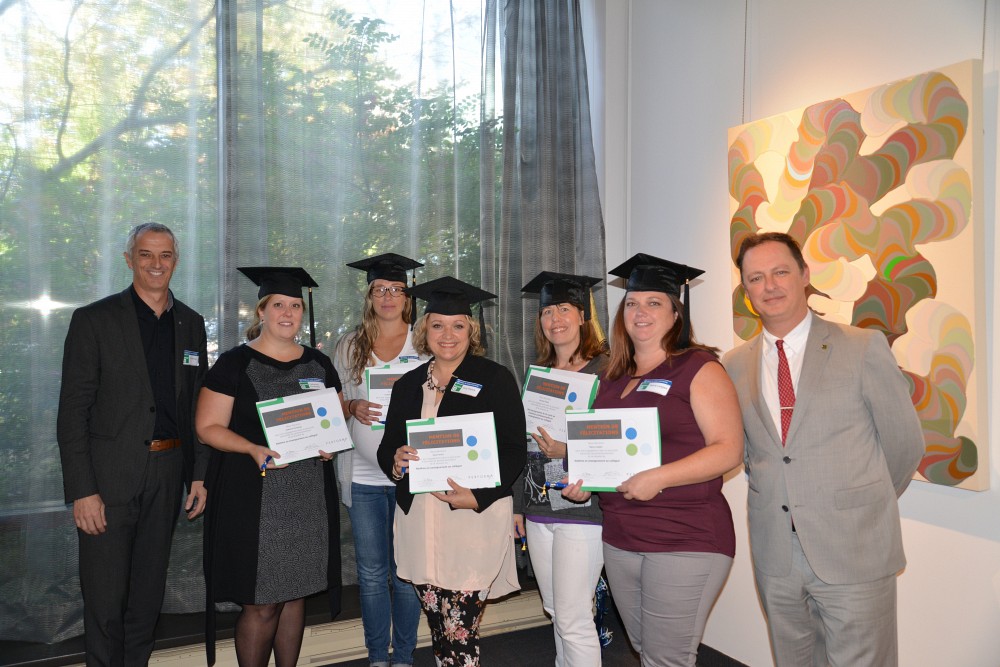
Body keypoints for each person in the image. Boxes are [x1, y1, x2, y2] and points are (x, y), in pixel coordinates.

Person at [721, 232, 925, 667]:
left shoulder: (862, 347)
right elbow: (753, 454)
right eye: (756, 278)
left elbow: (905, 444)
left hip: (853, 548)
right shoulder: (734, 365)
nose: (770, 286)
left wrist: (856, 507)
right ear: (747, 292)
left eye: (780, 272)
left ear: (805, 275)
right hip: (776, 552)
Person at [562, 253, 743, 667]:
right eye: (631, 303)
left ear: (677, 312)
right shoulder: (612, 377)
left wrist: (658, 477)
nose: (639, 312)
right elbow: (606, 450)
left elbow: (728, 448)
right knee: (646, 649)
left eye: (654, 302)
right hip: (622, 536)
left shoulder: (699, 367)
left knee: (666, 658)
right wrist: (587, 478)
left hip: (685, 536)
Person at [56, 222, 209, 667]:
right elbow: (72, 413)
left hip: (168, 475)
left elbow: (198, 404)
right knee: (105, 604)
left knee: (146, 600)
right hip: (108, 481)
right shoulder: (94, 320)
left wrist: (198, 474)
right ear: (129, 260)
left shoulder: (192, 324)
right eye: (146, 255)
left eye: (165, 255)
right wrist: (83, 490)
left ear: (175, 262)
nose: (156, 264)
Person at [376, 276, 526, 667]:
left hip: (470, 520)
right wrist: (395, 461)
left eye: (458, 325)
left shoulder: (494, 379)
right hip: (421, 522)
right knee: (441, 631)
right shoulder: (407, 385)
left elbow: (513, 450)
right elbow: (387, 446)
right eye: (437, 325)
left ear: (471, 330)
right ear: (424, 329)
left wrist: (478, 496)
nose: (447, 335)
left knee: (460, 629)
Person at [197, 267, 343, 667]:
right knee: (262, 603)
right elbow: (207, 427)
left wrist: (329, 446)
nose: (288, 312)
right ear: (261, 311)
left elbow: (333, 419)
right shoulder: (234, 363)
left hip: (308, 496)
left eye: (295, 305)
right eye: (278, 304)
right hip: (255, 497)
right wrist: (250, 447)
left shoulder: (319, 363)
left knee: (296, 593)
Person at [334, 253, 424, 667]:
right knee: (371, 574)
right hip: (364, 476)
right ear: (369, 296)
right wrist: (352, 405)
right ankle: (376, 656)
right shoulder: (351, 345)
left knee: (406, 571)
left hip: (411, 476)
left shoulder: (425, 341)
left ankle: (404, 655)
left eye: (396, 290)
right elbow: (332, 405)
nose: (388, 297)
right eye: (380, 290)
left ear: (407, 298)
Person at [513, 271, 608, 667]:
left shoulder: (607, 371)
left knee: (573, 617)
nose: (555, 319)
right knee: (557, 610)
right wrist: (517, 505)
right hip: (538, 508)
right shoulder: (539, 375)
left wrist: (568, 449)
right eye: (547, 311)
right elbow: (523, 443)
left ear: (583, 316)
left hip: (580, 508)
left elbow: (613, 444)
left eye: (564, 309)